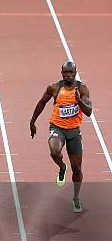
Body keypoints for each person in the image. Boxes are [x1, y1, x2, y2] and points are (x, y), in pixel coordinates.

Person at [30, 61, 92, 213]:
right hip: (57, 127)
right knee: (54, 151)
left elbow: (89, 111)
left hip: (74, 131)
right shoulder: (54, 87)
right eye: (66, 72)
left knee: (77, 169)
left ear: (75, 72)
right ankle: (62, 167)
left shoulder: (82, 88)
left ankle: (76, 198)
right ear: (62, 73)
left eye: (71, 72)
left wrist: (79, 101)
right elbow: (41, 103)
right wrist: (32, 122)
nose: (69, 75)